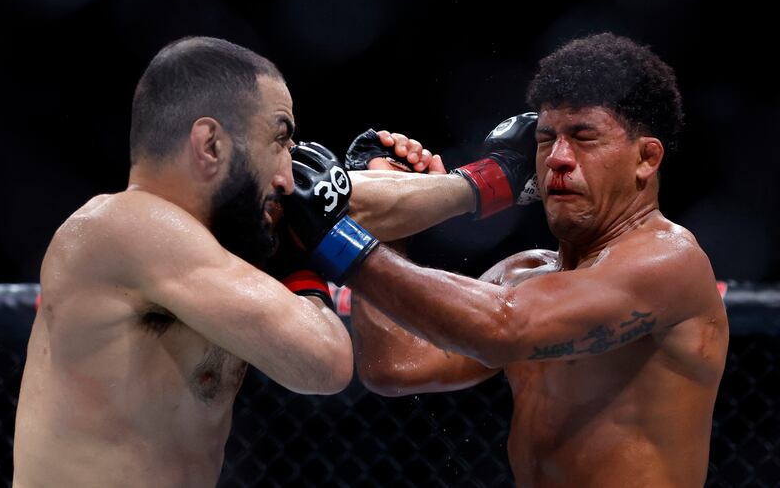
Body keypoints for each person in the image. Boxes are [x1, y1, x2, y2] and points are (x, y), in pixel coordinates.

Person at [284, 33, 729, 487]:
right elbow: (396, 365)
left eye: (584, 138)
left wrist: (336, 236)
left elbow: (503, 329)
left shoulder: (668, 261)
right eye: (545, 139)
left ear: (646, 158)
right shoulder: (525, 272)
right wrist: (388, 228)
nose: (558, 159)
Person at [13, 37, 354, 487]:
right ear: (210, 144)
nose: (288, 178)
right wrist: (299, 259)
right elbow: (325, 362)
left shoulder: (208, 257)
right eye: (279, 138)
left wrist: (468, 187)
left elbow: (352, 201)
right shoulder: (124, 225)